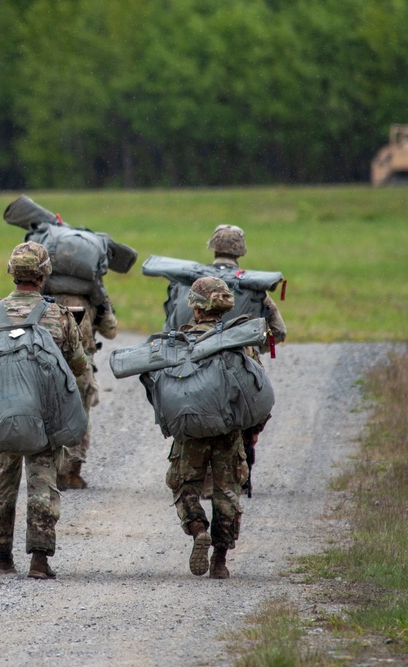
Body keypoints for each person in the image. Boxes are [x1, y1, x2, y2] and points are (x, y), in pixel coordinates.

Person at [0, 241, 89, 580]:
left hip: (1, 415)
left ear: (12, 274)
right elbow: (78, 366)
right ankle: (39, 559)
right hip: (46, 418)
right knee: (43, 484)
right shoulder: (59, 315)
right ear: (43, 274)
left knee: (2, 484)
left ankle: (2, 554)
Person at [167, 276, 247, 578]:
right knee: (227, 491)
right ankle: (220, 561)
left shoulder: (181, 340)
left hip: (191, 429)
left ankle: (199, 528)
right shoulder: (237, 340)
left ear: (196, 309)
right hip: (228, 429)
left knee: (185, 485)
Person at [208, 224, 286, 496]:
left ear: (213, 247)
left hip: (201, 363)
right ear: (240, 251)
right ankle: (243, 476)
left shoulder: (195, 284)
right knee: (251, 415)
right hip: (243, 361)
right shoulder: (254, 288)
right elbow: (279, 332)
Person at [51, 290, 118, 490]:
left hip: (48, 361)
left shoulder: (44, 292)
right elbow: (110, 331)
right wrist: (104, 308)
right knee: (81, 415)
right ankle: (72, 473)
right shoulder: (94, 295)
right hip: (81, 363)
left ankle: (50, 469)